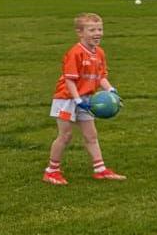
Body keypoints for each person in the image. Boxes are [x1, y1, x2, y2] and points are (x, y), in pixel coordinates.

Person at [43, 13, 125, 184]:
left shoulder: (100, 53)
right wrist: (78, 100)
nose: (98, 33)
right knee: (65, 135)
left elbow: (100, 76)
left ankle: (100, 170)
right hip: (66, 98)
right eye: (92, 30)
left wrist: (111, 91)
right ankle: (51, 171)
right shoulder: (75, 53)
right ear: (80, 33)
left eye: (100, 29)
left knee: (91, 135)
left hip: (87, 99)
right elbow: (70, 80)